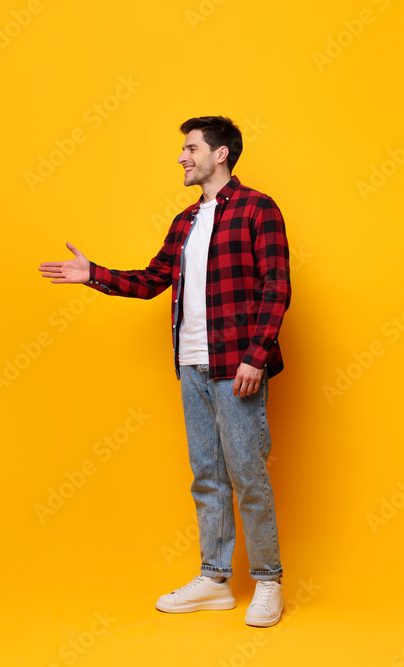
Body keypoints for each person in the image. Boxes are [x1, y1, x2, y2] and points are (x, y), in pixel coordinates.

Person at [38, 116, 291, 627]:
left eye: (191, 148)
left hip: (236, 364)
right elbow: (152, 280)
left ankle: (268, 580)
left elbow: (277, 286)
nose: (182, 157)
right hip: (191, 364)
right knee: (207, 476)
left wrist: (256, 355)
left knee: (247, 474)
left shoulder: (257, 209)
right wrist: (94, 276)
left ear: (219, 154)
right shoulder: (185, 222)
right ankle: (215, 580)